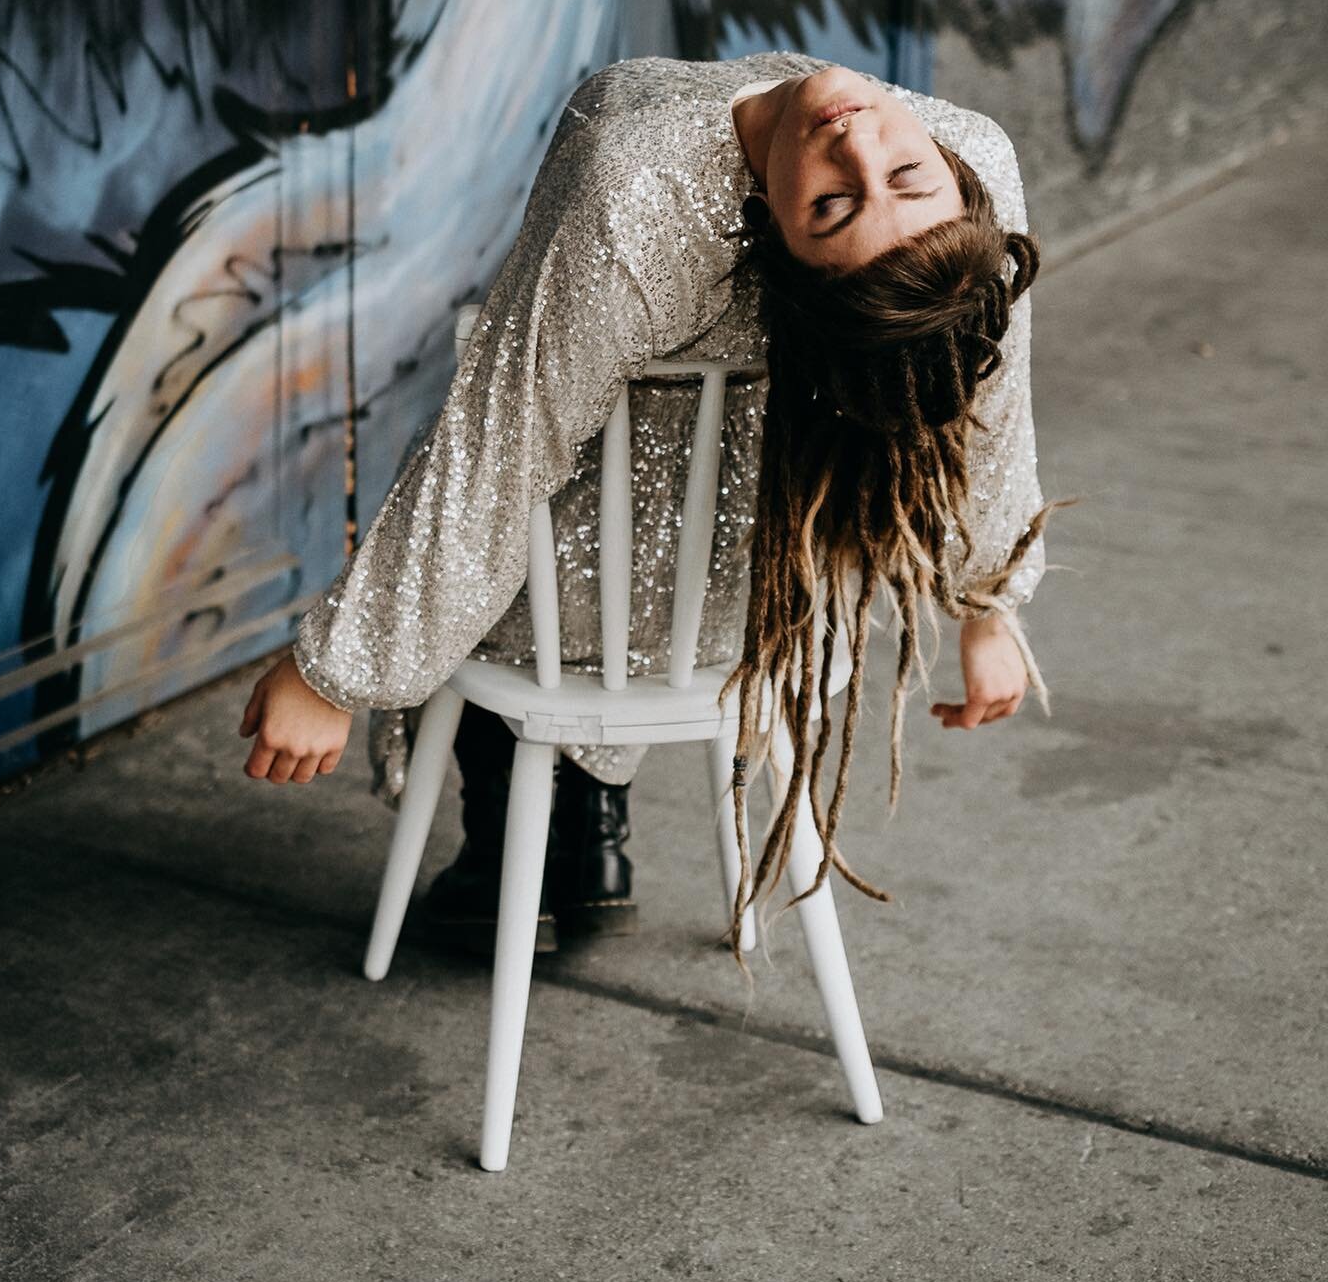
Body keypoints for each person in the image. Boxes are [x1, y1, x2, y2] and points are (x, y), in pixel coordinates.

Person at [239, 52, 1062, 958]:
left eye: (833, 206)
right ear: (955, 178)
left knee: (506, 547)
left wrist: (340, 671)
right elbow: (992, 408)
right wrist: (988, 598)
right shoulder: (970, 147)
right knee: (574, 521)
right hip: (762, 590)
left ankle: (504, 855)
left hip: (729, 585)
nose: (861, 143)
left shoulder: (636, 178)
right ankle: (591, 843)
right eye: (907, 176)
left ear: (777, 241)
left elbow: (498, 453)